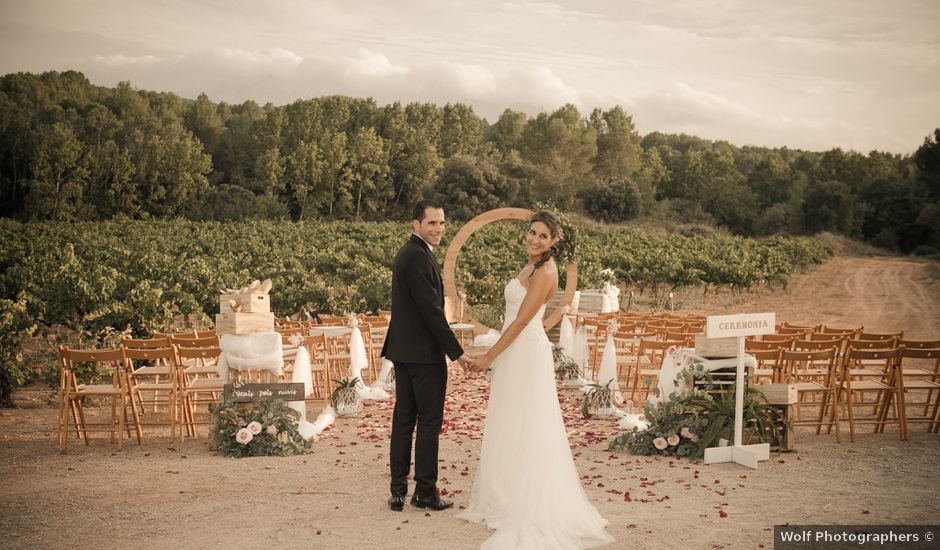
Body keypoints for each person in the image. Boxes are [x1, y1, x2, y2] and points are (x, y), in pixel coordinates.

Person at [459, 211, 614, 549]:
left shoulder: (545, 272)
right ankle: (507, 492)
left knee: (528, 422)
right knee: (511, 420)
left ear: (554, 241)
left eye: (543, 236)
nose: (535, 239)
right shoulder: (529, 266)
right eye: (532, 232)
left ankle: (526, 497)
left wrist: (488, 357)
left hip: (525, 351)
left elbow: (519, 324)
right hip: (516, 351)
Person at [382, 199, 475, 512]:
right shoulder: (418, 256)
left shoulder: (410, 253)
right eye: (432, 223)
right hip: (423, 355)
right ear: (415, 224)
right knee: (428, 423)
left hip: (403, 352)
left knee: (404, 421)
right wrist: (457, 352)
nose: (438, 229)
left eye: (442, 223)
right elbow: (432, 313)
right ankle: (424, 491)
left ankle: (397, 492)